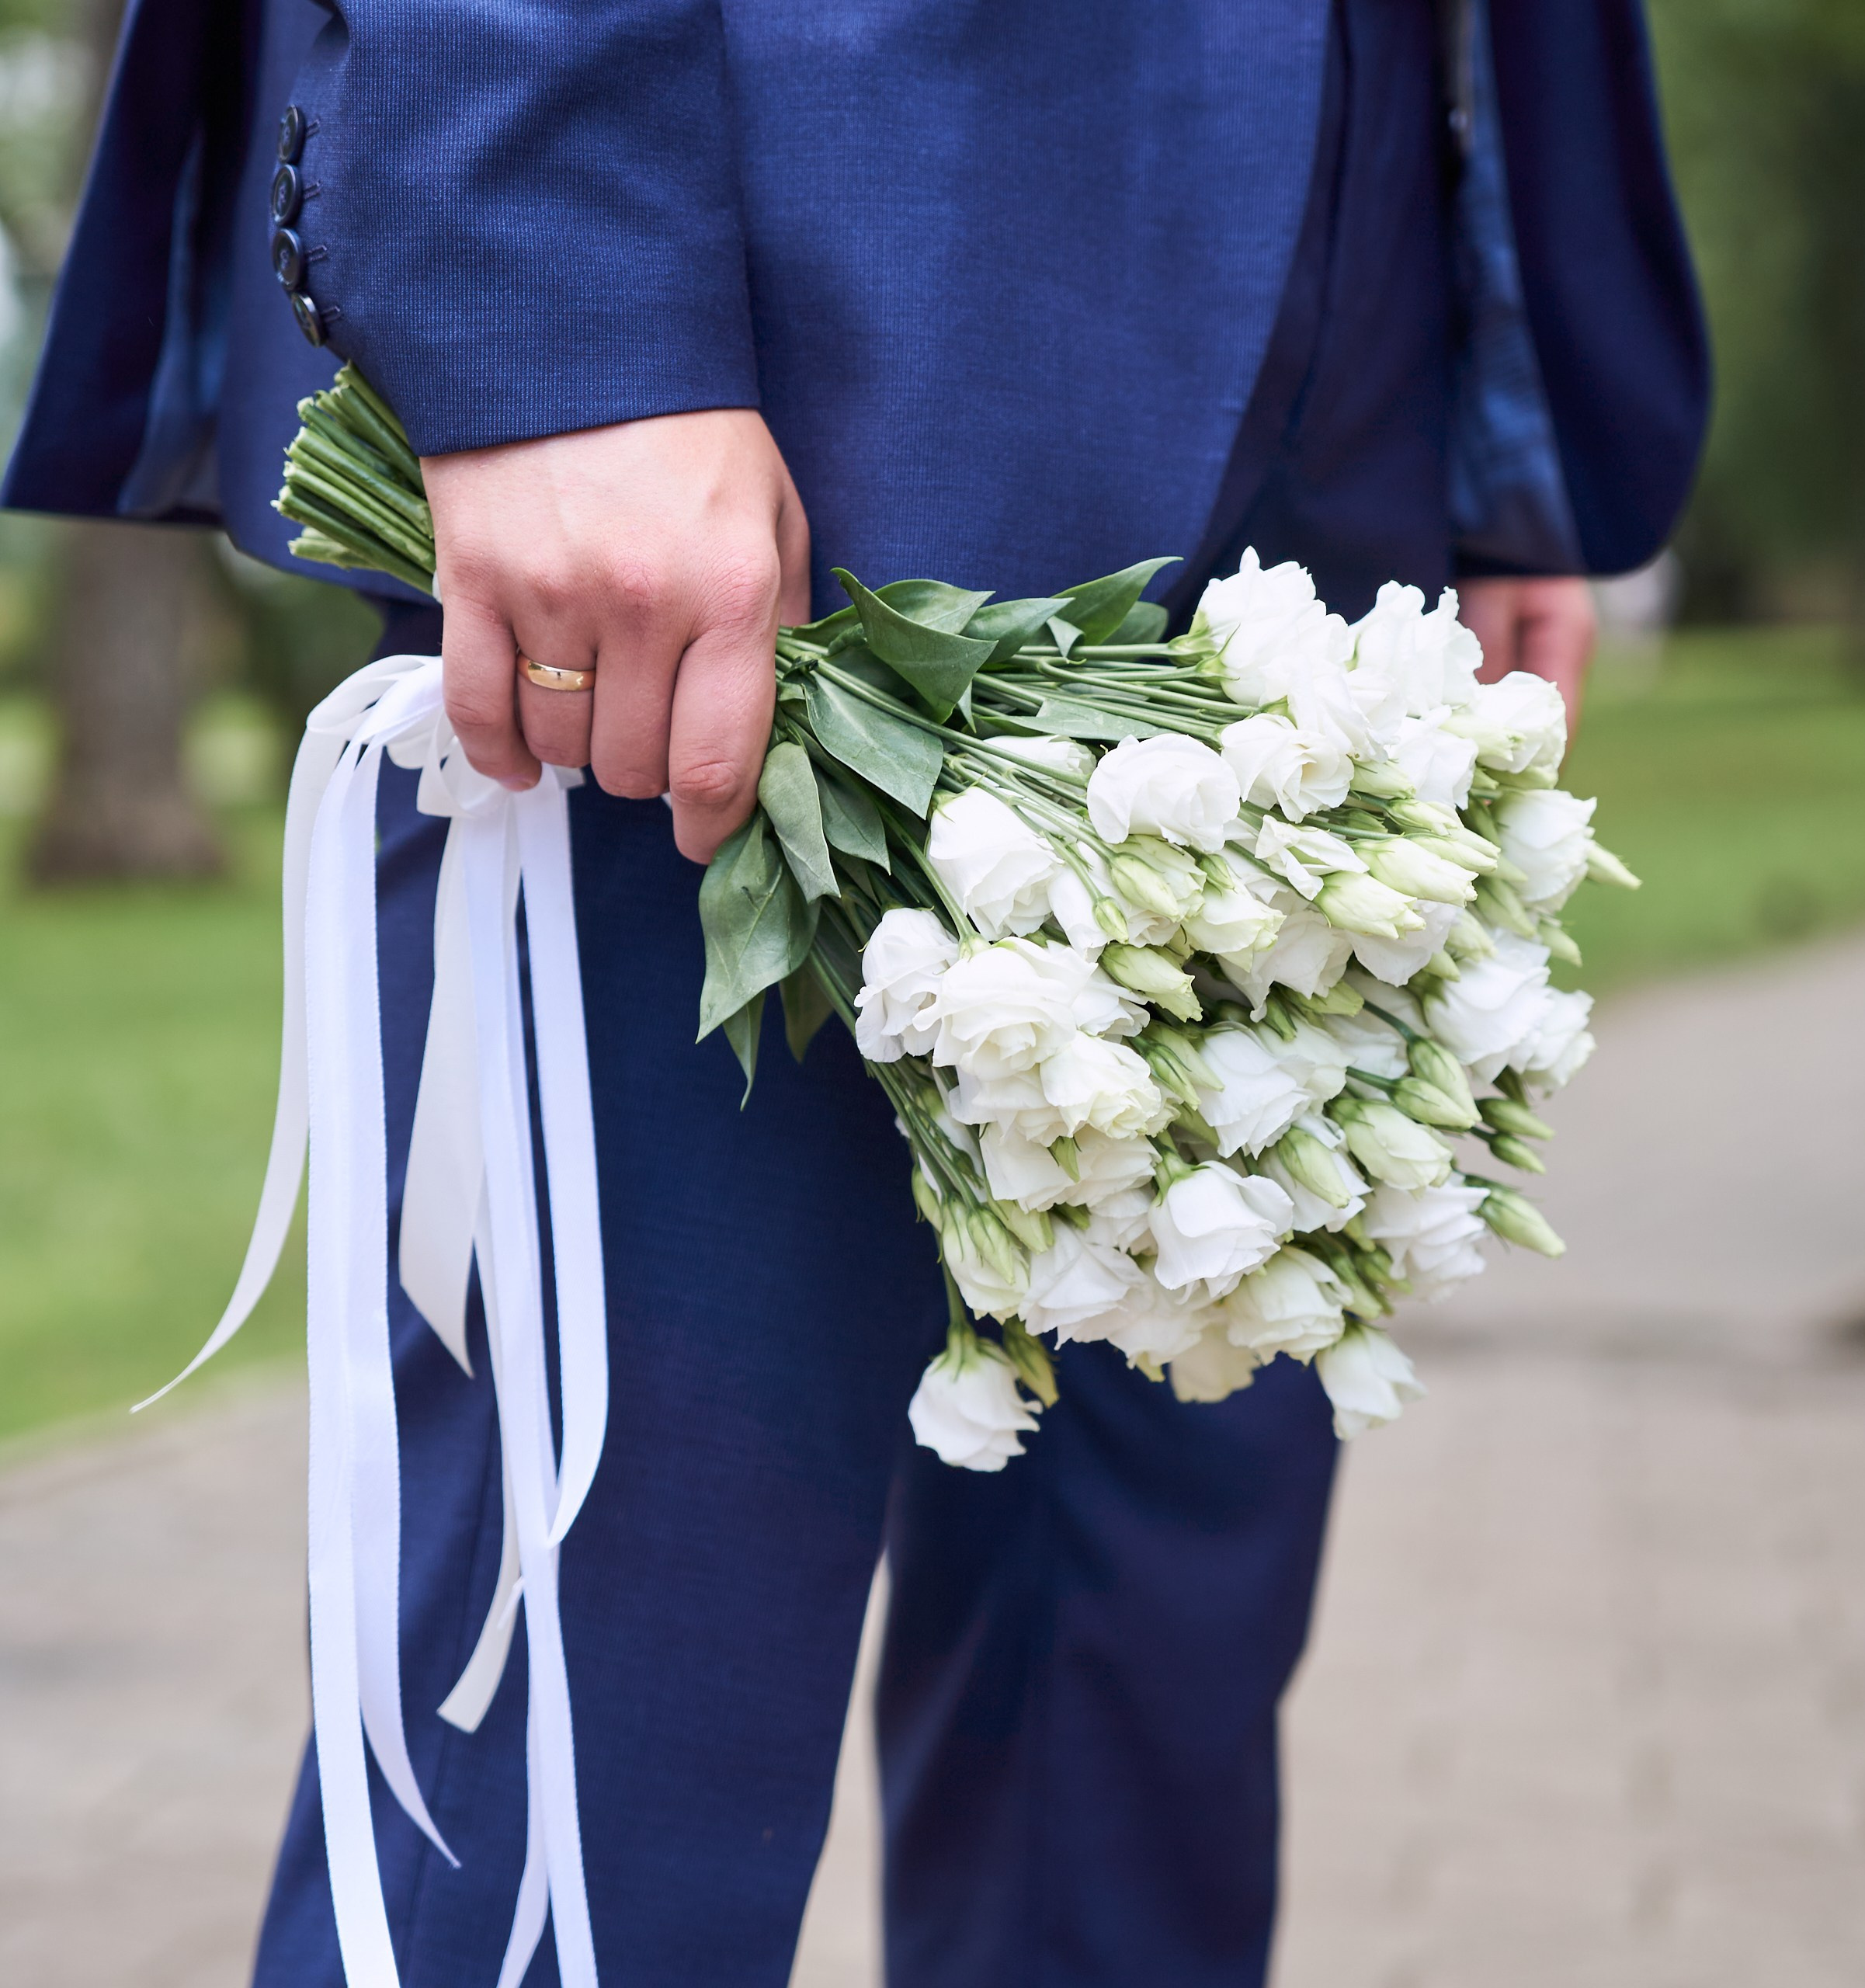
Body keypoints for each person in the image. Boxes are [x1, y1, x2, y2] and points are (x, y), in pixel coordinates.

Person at [5, 2, 1706, 1983]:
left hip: (1329, 356)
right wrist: (555, 290)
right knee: (587, 1780)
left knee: (1139, 1766)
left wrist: (1492, 407)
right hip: (746, 370)